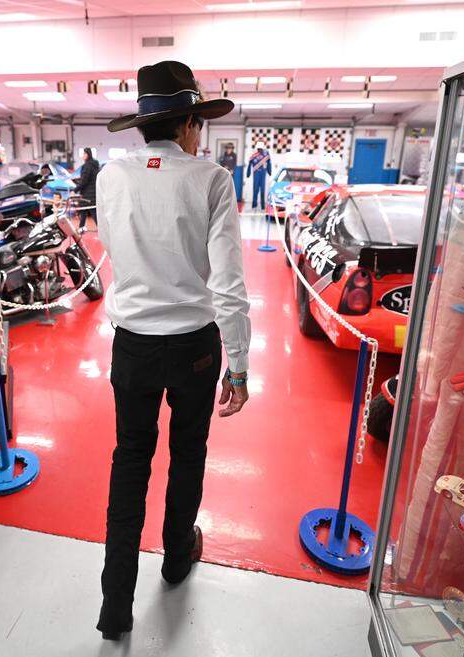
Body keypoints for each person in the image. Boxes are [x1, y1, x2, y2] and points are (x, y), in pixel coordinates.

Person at [97, 60, 251, 641]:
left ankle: (115, 606)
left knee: (130, 459)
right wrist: (238, 363)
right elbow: (228, 283)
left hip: (132, 345)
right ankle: (176, 557)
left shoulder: (111, 177)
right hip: (194, 346)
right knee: (188, 452)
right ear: (189, 123)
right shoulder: (210, 178)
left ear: (144, 124)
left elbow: (115, 250)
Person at [72, 147, 101, 230]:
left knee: (92, 211)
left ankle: (101, 229)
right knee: (84, 210)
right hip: (93, 192)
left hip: (88, 193)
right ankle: (81, 227)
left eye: (84, 154)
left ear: (88, 154)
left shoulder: (87, 166)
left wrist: (75, 190)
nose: (82, 156)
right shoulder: (95, 165)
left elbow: (84, 181)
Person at [246, 142, 272, 211]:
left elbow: (269, 163)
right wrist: (248, 174)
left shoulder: (266, 154)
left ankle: (263, 206)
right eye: (259, 148)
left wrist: (269, 172)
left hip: (263, 174)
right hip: (256, 174)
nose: (260, 150)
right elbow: (249, 165)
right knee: (255, 189)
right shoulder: (253, 155)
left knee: (262, 190)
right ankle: (254, 205)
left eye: (261, 148)